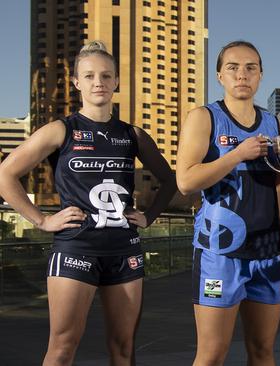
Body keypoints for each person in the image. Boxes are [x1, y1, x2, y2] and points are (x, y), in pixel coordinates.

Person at [0, 41, 176, 366]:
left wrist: (149, 216)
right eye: (90, 75)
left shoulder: (132, 135)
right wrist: (41, 220)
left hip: (125, 251)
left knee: (123, 350)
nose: (99, 82)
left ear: (116, 82)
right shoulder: (61, 130)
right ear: (77, 82)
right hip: (75, 249)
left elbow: (170, 180)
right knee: (63, 347)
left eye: (106, 76)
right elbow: (5, 174)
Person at [176, 40, 280, 366]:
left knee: (262, 351)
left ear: (260, 75)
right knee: (212, 354)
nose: (242, 74)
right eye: (233, 67)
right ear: (219, 76)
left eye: (250, 68)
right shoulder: (204, 117)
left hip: (267, 250)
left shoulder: (274, 124)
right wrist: (238, 154)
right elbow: (185, 181)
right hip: (219, 251)